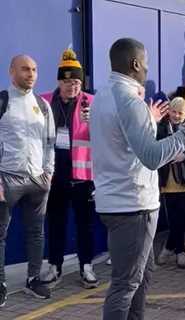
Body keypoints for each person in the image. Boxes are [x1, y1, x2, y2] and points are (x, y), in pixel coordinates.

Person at [90, 38, 185, 320]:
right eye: (146, 63)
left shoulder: (103, 95)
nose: (147, 69)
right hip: (133, 204)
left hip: (118, 201)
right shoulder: (131, 102)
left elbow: (125, 143)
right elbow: (152, 157)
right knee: (127, 283)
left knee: (139, 277)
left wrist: (151, 121)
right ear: (135, 64)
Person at [40, 48, 98, 289]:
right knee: (55, 223)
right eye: (67, 81)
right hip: (53, 176)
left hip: (83, 177)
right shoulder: (43, 101)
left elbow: (105, 139)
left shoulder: (92, 103)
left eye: (76, 81)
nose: (72, 86)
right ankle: (55, 266)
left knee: (85, 225)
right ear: (58, 81)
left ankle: (86, 266)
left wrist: (93, 123)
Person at [0, 55, 55, 306]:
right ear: (12, 72)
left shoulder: (43, 105)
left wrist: (49, 174)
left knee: (36, 233)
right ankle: (1, 284)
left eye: (34, 69)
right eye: (24, 69)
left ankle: (34, 278)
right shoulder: (3, 101)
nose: (30, 74)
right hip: (6, 179)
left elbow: (50, 143)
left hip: (37, 180)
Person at [156, 98, 185, 269]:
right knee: (174, 218)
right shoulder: (160, 128)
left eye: (180, 113)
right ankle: (180, 251)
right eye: (174, 112)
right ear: (168, 111)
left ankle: (169, 247)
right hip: (167, 180)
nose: (176, 116)